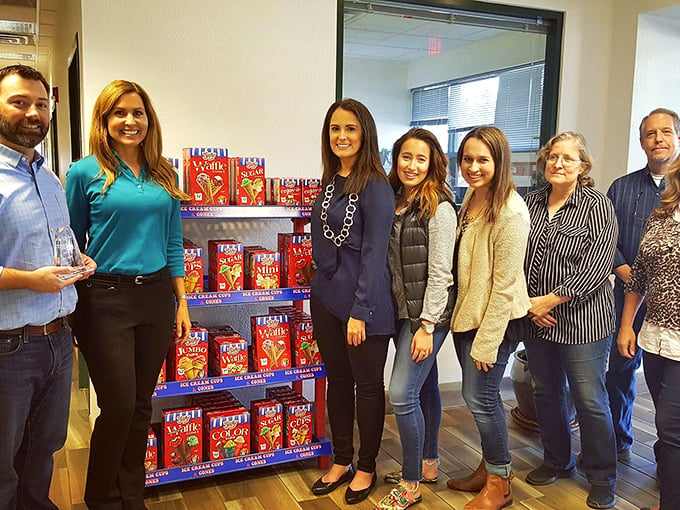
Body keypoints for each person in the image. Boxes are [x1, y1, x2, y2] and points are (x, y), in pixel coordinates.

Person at [65, 80, 191, 510]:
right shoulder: (84, 173)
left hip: (156, 299)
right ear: (104, 120)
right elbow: (70, 242)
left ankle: (131, 496)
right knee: (117, 406)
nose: (130, 121)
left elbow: (173, 242)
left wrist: (183, 301)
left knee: (140, 405)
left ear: (148, 119)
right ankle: (101, 498)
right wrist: (70, 306)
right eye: (119, 112)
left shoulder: (163, 174)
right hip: (103, 301)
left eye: (138, 112)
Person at [0, 64, 96, 510]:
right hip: (9, 347)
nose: (33, 113)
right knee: (3, 462)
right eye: (19, 102)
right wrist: (29, 281)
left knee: (44, 451)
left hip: (58, 339)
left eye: (41, 103)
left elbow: (57, 243)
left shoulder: (49, 177)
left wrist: (80, 260)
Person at [523, 132, 619, 509]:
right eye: (552, 157)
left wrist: (548, 301)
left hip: (583, 323)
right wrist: (530, 306)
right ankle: (556, 460)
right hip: (537, 321)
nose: (558, 164)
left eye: (567, 158)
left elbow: (597, 267)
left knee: (590, 400)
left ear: (583, 166)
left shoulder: (597, 205)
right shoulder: (530, 203)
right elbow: (516, 256)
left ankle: (601, 477)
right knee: (545, 393)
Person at [309, 98, 395, 505]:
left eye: (350, 129)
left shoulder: (376, 185)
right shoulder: (331, 181)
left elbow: (375, 253)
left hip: (364, 307)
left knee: (367, 387)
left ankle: (366, 466)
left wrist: (359, 311)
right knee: (337, 382)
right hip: (326, 299)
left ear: (365, 135)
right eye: (334, 129)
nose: (341, 137)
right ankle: (341, 459)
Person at [447, 126, 531, 510]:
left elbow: (506, 283)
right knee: (480, 397)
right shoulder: (472, 200)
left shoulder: (510, 210)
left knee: (478, 397)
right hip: (469, 315)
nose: (473, 167)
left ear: (500, 162)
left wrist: (488, 338)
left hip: (493, 321)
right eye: (467, 159)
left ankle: (501, 481)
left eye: (483, 160)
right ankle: (489, 466)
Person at [376, 128, 456, 509]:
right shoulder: (392, 198)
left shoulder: (438, 206)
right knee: (426, 388)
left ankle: (410, 485)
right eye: (406, 157)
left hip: (425, 317)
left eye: (420, 159)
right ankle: (428, 464)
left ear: (432, 162)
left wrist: (427, 326)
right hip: (398, 310)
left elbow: (441, 272)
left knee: (403, 395)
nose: (411, 165)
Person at [605, 108, 680, 460]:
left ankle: (669, 452)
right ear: (641, 142)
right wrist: (628, 276)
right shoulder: (621, 188)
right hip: (628, 297)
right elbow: (606, 240)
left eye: (666, 132)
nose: (658, 139)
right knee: (621, 368)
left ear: (677, 138)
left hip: (673, 305)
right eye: (651, 134)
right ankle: (619, 438)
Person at [617, 155, 680, 510]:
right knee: (668, 426)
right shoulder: (661, 216)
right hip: (654, 336)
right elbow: (639, 276)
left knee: (671, 428)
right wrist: (627, 324)